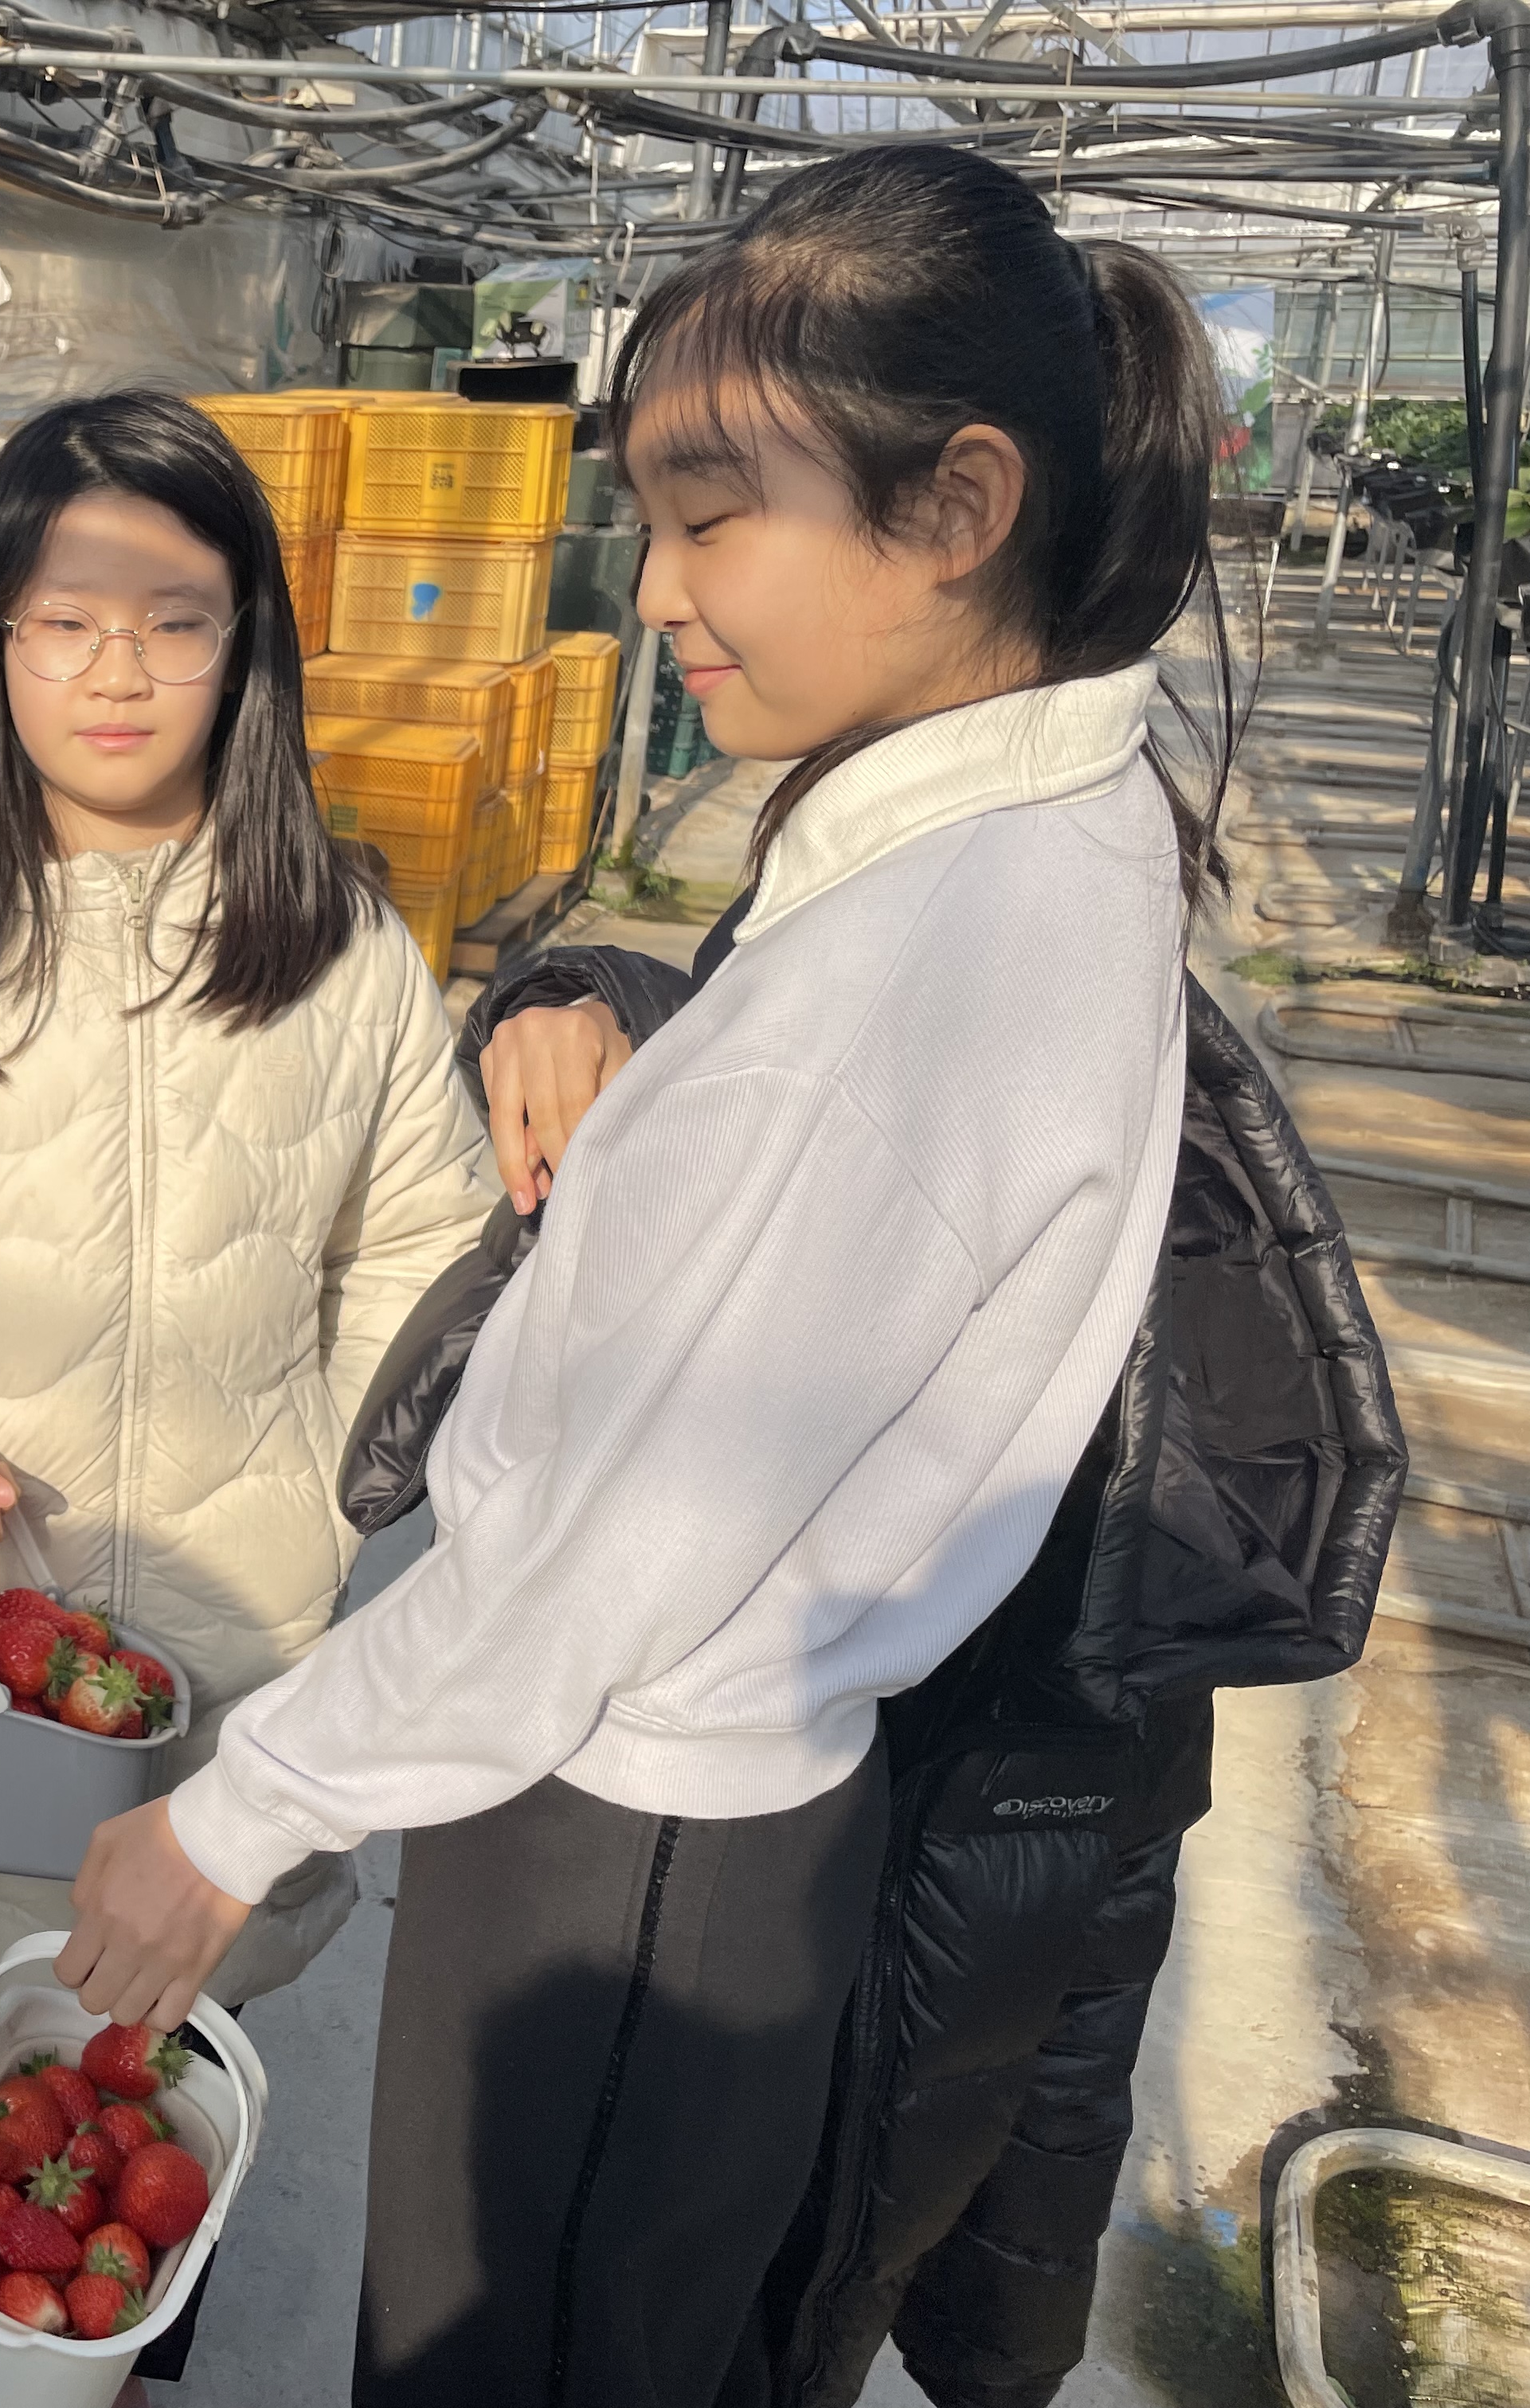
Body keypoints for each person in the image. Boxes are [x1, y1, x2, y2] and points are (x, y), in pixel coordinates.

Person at [61, 146, 1240, 2406]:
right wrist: (606, 1005)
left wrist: (228, 1821)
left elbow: (595, 1569)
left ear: (957, 505)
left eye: (716, 516)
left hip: (627, 1836)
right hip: (713, 1815)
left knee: (494, 2355)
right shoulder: (1058, 823)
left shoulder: (901, 991)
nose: (662, 590)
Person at [0, 389, 486, 2403]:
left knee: (119, 2251)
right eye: (63, 621)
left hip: (210, 1709)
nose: (116, 671)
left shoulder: (341, 950)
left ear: (249, 644)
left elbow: (426, 1246)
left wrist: (324, 1488)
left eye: (175, 619)